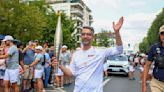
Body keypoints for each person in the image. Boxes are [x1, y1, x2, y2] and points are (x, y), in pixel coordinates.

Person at [53, 17, 124, 92]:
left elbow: (119, 50)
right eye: (83, 34)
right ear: (81, 36)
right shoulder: (76, 54)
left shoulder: (100, 52)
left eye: (88, 34)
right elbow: (71, 73)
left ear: (93, 37)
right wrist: (60, 65)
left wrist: (117, 32)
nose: (85, 36)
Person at [142, 25, 164, 92]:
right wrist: (144, 85)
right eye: (162, 34)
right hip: (157, 84)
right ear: (159, 35)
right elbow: (147, 66)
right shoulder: (154, 48)